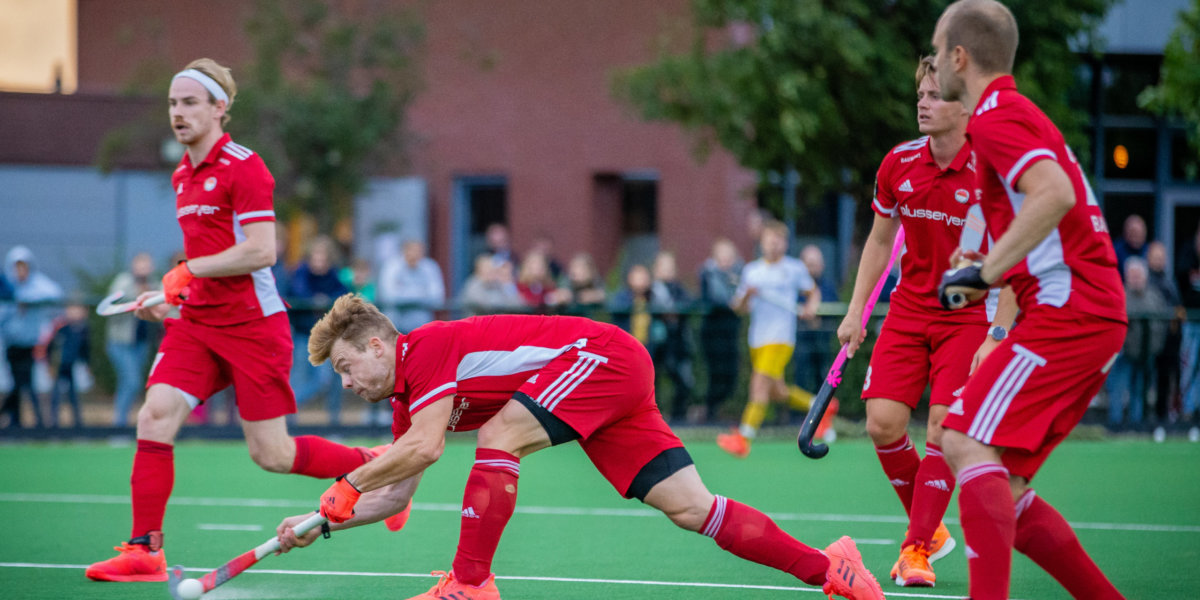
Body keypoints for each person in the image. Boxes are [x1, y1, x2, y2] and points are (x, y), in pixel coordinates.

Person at [273, 294, 885, 600]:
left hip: (601, 358)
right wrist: (316, 525)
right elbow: (396, 493)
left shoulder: (425, 350)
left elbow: (426, 450)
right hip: (606, 380)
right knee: (692, 508)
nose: (347, 384)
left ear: (377, 346)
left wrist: (349, 483)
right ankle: (832, 568)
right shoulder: (408, 402)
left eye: (347, 368)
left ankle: (469, 584)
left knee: (498, 434)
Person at [85, 58, 385, 583]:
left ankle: (375, 465)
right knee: (154, 416)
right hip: (197, 323)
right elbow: (206, 261)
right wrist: (174, 296)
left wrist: (187, 270)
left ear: (219, 108)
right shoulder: (182, 174)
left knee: (272, 454)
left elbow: (262, 250)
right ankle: (144, 550)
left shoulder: (245, 166)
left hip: (253, 327)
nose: (178, 113)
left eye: (190, 102)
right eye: (173, 103)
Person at [932, 3, 1129, 598]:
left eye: (937, 50)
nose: (933, 62)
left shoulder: (995, 116)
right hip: (1087, 312)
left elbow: (1054, 193)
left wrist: (986, 273)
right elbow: (1047, 211)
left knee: (962, 439)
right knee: (1006, 487)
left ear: (959, 57)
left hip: (1071, 312)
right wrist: (990, 260)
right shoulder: (1012, 112)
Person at [837, 55, 1013, 587]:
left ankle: (915, 548)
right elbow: (880, 240)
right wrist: (855, 310)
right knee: (882, 423)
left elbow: (1016, 265)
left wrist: (997, 335)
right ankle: (931, 528)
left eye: (935, 96)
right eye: (921, 95)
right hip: (908, 310)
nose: (923, 103)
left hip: (968, 317)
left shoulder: (993, 173)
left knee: (941, 427)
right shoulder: (898, 162)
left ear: (965, 106)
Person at [717, 220, 820, 458]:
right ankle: (819, 405)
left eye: (778, 240)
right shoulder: (752, 271)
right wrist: (747, 295)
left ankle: (744, 437)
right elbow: (739, 308)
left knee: (759, 385)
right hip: (758, 339)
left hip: (781, 338)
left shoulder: (794, 268)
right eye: (769, 240)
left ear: (785, 243)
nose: (773, 244)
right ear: (762, 243)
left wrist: (811, 307)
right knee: (777, 392)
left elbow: (812, 292)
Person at [287, 236, 349, 425]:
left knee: (324, 381)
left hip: (324, 337)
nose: (319, 262)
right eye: (316, 257)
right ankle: (289, 420)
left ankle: (288, 408)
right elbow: (297, 293)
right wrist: (314, 301)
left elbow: (343, 293)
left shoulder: (333, 276)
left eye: (323, 258)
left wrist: (326, 300)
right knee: (297, 379)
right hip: (302, 334)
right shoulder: (301, 273)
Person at [1, 245, 63, 429]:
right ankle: (20, 421)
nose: (20, 271)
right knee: (18, 383)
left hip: (30, 344)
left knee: (25, 383)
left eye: (24, 266)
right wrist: (13, 302)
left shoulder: (36, 284)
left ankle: (30, 423)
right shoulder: (7, 286)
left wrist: (25, 297)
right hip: (12, 343)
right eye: (17, 267)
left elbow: (55, 293)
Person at [1105, 257, 1170, 431]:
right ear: (1126, 276)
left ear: (1145, 276)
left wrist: (1155, 347)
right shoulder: (1120, 295)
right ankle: (1115, 425)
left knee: (1139, 391)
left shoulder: (1154, 296)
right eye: (1132, 275)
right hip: (1123, 353)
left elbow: (1162, 323)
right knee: (1118, 389)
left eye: (1138, 275)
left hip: (1146, 352)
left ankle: (1136, 425)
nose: (1135, 279)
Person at [106, 253, 159, 427]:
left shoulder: (154, 284)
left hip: (141, 343)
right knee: (132, 382)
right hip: (120, 343)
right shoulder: (123, 281)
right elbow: (112, 305)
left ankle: (122, 424)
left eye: (146, 265)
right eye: (140, 265)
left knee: (129, 383)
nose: (143, 269)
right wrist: (138, 297)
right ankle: (119, 426)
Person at [649, 251, 697, 423]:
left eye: (670, 267)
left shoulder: (678, 289)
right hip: (654, 343)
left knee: (682, 380)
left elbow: (689, 303)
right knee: (652, 382)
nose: (667, 271)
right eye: (663, 267)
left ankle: (678, 415)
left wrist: (674, 310)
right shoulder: (649, 289)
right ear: (656, 269)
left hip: (676, 343)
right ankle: (653, 416)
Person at [698, 239, 743, 421]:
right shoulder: (708, 273)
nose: (726, 261)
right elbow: (716, 297)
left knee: (731, 373)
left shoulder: (740, 274)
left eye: (729, 257)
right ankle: (710, 412)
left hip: (731, 332)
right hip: (713, 331)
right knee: (715, 372)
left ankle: (715, 408)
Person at [1147, 241, 1184, 431]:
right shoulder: (1146, 280)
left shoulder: (1169, 281)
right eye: (1156, 257)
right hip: (1149, 340)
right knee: (1146, 380)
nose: (1159, 261)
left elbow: (1178, 307)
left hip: (1170, 341)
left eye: (1161, 257)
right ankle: (1143, 420)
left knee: (1169, 380)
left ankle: (1166, 417)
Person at [794, 244, 837, 397]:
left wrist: (816, 315)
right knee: (801, 377)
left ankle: (824, 407)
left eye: (816, 264)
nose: (813, 268)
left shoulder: (828, 286)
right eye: (809, 264)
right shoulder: (796, 287)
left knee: (823, 376)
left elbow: (833, 305)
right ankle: (799, 410)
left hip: (822, 339)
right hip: (801, 339)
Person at [376, 239, 445, 334]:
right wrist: (421, 293)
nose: (415, 254)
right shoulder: (392, 266)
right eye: (412, 250)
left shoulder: (430, 267)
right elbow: (389, 296)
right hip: (395, 328)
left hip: (422, 327)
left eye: (419, 251)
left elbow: (437, 297)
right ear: (404, 251)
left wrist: (403, 291)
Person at [45, 299, 91, 428]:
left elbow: (85, 349)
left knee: (73, 395)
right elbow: (50, 348)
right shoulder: (60, 327)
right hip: (59, 365)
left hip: (71, 366)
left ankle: (77, 423)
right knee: (56, 395)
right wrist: (50, 365)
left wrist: (87, 365)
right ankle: (53, 423)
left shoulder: (83, 329)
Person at [458, 254, 525, 316]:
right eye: (487, 268)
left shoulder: (499, 284)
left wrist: (507, 285)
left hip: (497, 321)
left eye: (493, 268)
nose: (491, 271)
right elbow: (482, 306)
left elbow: (518, 305)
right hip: (478, 322)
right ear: (479, 269)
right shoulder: (473, 284)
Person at [553, 252, 607, 317]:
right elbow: (559, 296)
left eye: (582, 268)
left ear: (591, 271)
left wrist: (596, 296)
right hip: (571, 317)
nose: (577, 271)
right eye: (574, 267)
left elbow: (604, 296)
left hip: (591, 318)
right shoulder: (567, 281)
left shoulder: (596, 281)